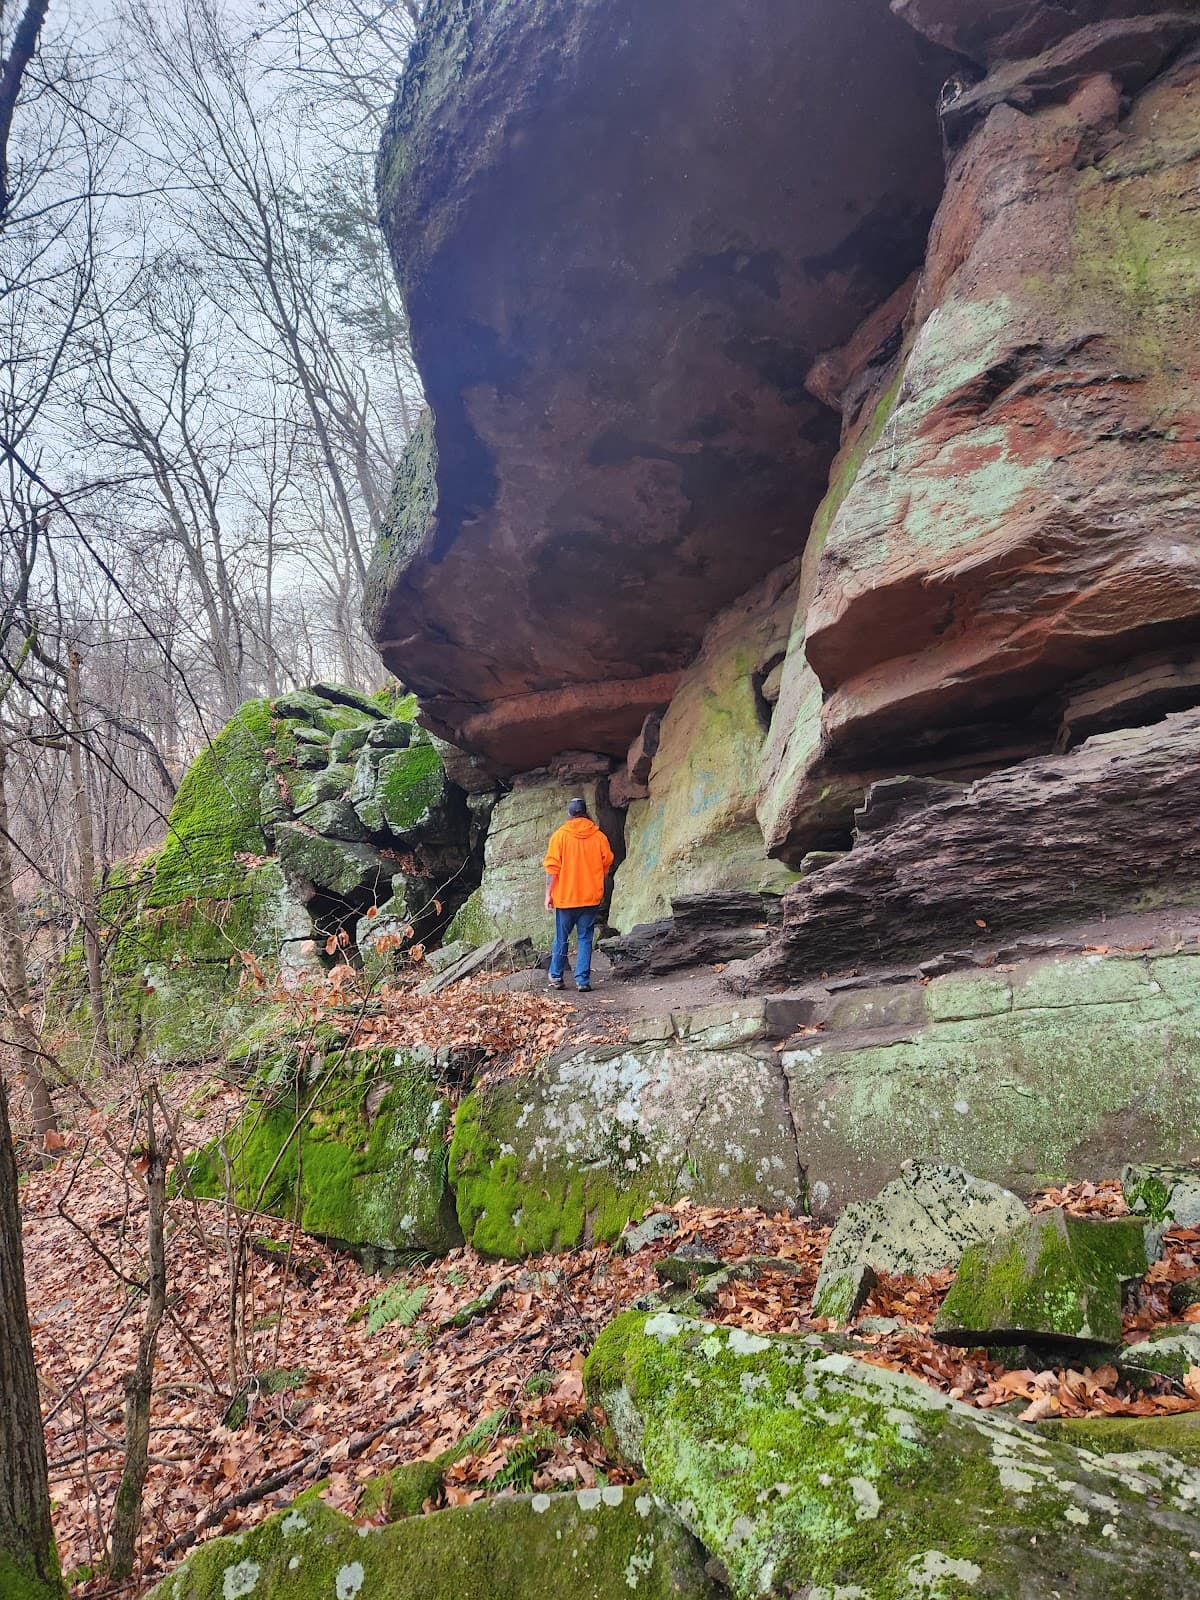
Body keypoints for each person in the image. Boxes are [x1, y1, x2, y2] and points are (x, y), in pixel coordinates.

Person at [543, 797, 614, 992]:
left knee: (562, 937)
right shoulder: (599, 837)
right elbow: (607, 862)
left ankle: (556, 976)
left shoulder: (560, 836)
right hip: (590, 897)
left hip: (565, 898)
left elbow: (552, 869)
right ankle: (582, 980)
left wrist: (548, 894)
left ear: (569, 813)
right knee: (585, 938)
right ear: (585, 812)